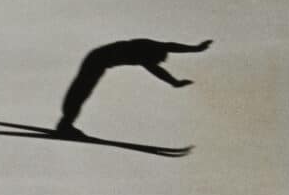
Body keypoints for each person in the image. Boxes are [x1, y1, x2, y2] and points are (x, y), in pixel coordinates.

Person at [56, 38, 213, 133]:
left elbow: (170, 48)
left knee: (81, 92)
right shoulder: (147, 51)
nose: (157, 63)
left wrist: (196, 49)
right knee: (80, 92)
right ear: (156, 55)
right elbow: (160, 66)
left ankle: (65, 124)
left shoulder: (151, 48)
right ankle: (65, 125)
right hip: (96, 60)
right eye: (158, 60)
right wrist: (175, 82)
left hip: (97, 60)